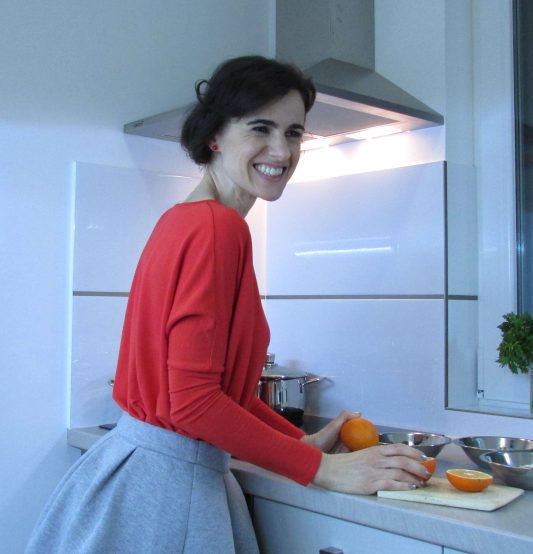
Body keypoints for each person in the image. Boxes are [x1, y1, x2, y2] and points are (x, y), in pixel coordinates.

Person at [26, 56, 429, 554]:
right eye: (261, 128)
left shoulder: (183, 219)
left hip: (139, 471)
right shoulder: (220, 229)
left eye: (294, 133)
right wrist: (324, 470)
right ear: (215, 134)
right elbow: (194, 403)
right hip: (171, 489)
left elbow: (223, 395)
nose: (281, 150)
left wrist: (299, 443)